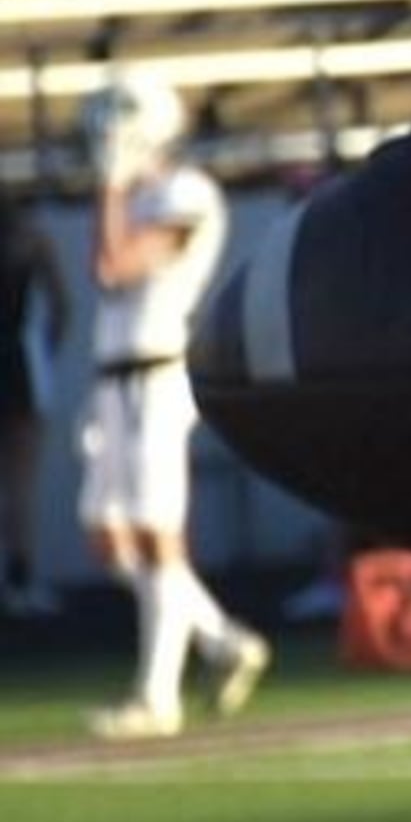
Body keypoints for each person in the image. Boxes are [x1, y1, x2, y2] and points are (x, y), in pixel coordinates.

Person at [77, 73, 269, 738]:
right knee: (108, 536)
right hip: (112, 381)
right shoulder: (137, 195)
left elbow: (114, 265)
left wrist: (110, 186)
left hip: (157, 376)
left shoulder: (186, 193)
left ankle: (157, 696)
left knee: (158, 537)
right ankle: (221, 640)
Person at [3, 186, 68, 617]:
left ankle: (18, 579)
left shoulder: (31, 239)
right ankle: (20, 579)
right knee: (21, 480)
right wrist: (45, 351)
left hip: (22, 360)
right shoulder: (31, 239)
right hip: (22, 362)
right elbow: (62, 306)